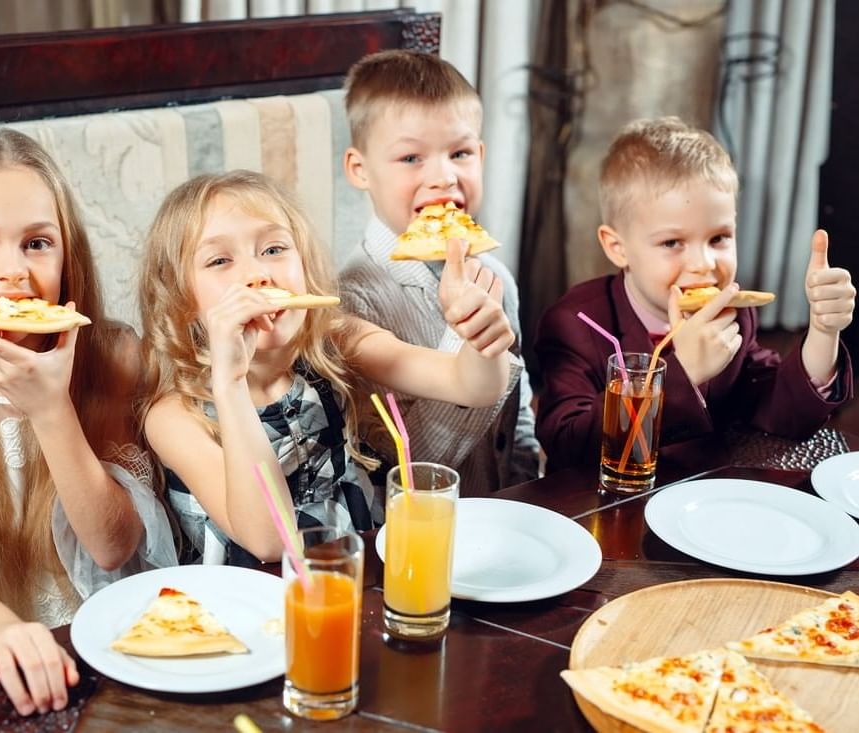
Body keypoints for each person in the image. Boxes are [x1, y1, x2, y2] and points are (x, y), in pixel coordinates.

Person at [0, 129, 177, 725]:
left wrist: (50, 408)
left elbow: (113, 546)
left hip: (102, 649)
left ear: (67, 259)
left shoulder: (117, 355)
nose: (11, 272)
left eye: (37, 243)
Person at [138, 170, 513, 565]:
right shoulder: (174, 416)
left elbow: (471, 386)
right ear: (182, 300)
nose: (257, 275)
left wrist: (480, 336)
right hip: (256, 601)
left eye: (273, 249)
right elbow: (270, 540)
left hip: (361, 570)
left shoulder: (333, 340)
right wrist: (229, 384)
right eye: (219, 260)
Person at [535, 116, 855, 471]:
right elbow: (566, 442)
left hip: (704, 502)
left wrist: (823, 331)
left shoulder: (733, 316)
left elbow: (778, 414)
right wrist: (682, 371)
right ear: (617, 247)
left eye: (718, 238)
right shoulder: (575, 323)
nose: (704, 264)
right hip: (604, 506)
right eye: (672, 242)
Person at [336, 49, 540, 496]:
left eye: (461, 153)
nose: (444, 177)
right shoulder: (352, 301)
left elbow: (518, 415)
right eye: (411, 158)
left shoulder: (496, 274)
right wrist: (465, 336)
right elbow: (403, 466)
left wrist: (527, 490)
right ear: (359, 169)